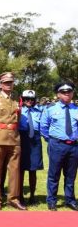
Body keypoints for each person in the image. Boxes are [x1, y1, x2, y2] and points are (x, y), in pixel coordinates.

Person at [0, 72, 26, 210]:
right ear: (1, 84)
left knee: (14, 170)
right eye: (6, 83)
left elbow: (18, 119)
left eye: (11, 82)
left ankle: (13, 198)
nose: (9, 85)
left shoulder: (16, 99)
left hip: (14, 138)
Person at [40, 82, 78, 211]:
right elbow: (43, 127)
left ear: (72, 93)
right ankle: (51, 201)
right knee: (54, 174)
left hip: (74, 146)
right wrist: (51, 140)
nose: (67, 94)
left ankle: (70, 200)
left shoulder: (76, 109)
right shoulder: (50, 108)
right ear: (58, 94)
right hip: (57, 145)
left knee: (71, 175)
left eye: (69, 91)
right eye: (64, 92)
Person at [19, 90, 43, 206]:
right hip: (22, 139)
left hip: (35, 140)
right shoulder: (19, 111)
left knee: (33, 170)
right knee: (21, 170)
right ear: (22, 99)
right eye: (27, 99)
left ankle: (32, 196)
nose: (29, 101)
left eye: (32, 99)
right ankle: (20, 196)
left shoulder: (40, 111)